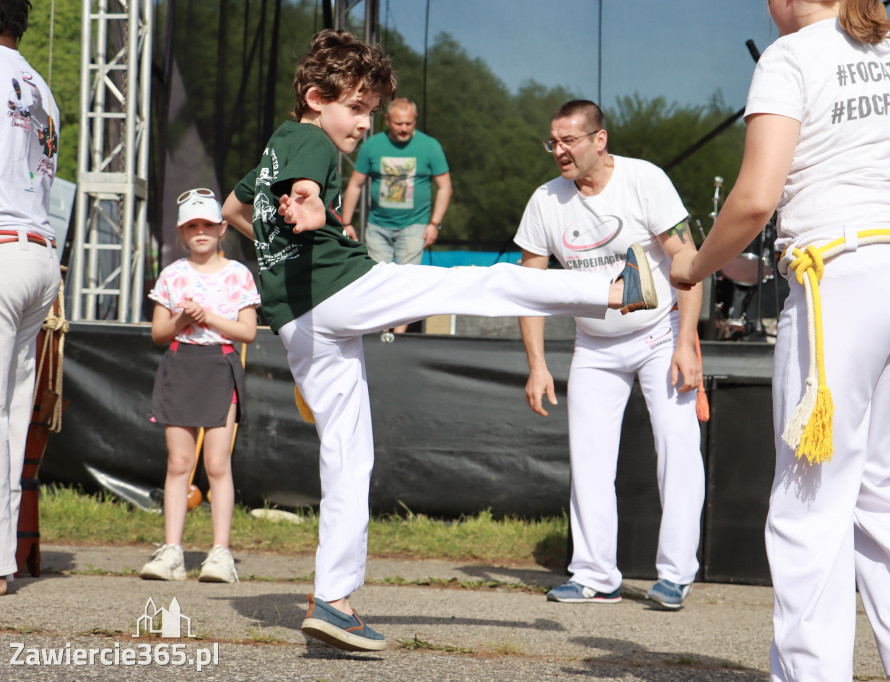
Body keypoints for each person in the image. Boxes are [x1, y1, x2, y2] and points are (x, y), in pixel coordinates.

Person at [220, 29, 660, 653]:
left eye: (373, 110)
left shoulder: (275, 145)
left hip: (296, 321)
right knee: (481, 284)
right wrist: (313, 208)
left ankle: (333, 602)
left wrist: (285, 239)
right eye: (358, 108)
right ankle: (613, 290)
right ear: (316, 98)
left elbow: (237, 210)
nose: (365, 124)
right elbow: (305, 186)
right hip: (340, 294)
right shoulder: (309, 140)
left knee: (348, 455)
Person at [670, 1, 890, 680]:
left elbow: (756, 198)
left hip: (841, 270)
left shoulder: (791, 57)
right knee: (879, 474)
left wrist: (694, 267)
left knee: (810, 490)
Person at [514, 99, 705, 609]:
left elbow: (687, 261)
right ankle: (595, 574)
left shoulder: (645, 180)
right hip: (594, 346)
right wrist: (537, 365)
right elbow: (527, 287)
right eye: (552, 142)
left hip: (659, 334)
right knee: (590, 460)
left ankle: (676, 574)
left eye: (568, 141)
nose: (558, 151)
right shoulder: (545, 202)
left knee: (677, 448)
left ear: (599, 140)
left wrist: (686, 342)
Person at [140, 189, 260, 584]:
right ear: (181, 232)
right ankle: (172, 551)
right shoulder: (172, 274)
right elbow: (159, 332)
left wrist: (207, 318)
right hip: (180, 364)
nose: (201, 231)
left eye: (208, 224)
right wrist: (182, 321)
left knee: (216, 463)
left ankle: (220, 554)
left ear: (223, 228)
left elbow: (247, 332)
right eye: (192, 225)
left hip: (219, 365)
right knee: (178, 463)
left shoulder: (238, 274)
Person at [0, 0, 60, 597]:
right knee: (12, 416)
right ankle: (2, 560)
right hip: (39, 250)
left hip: (3, 247)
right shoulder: (38, 84)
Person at [340, 96, 451, 334]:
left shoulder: (429, 146)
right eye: (399, 123)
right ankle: (382, 333)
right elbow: (356, 184)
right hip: (378, 226)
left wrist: (434, 224)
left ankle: (398, 337)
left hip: (414, 225)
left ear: (415, 120)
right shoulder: (372, 145)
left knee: (406, 283)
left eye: (409, 124)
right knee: (378, 282)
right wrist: (346, 221)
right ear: (387, 119)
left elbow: (445, 187)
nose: (404, 129)